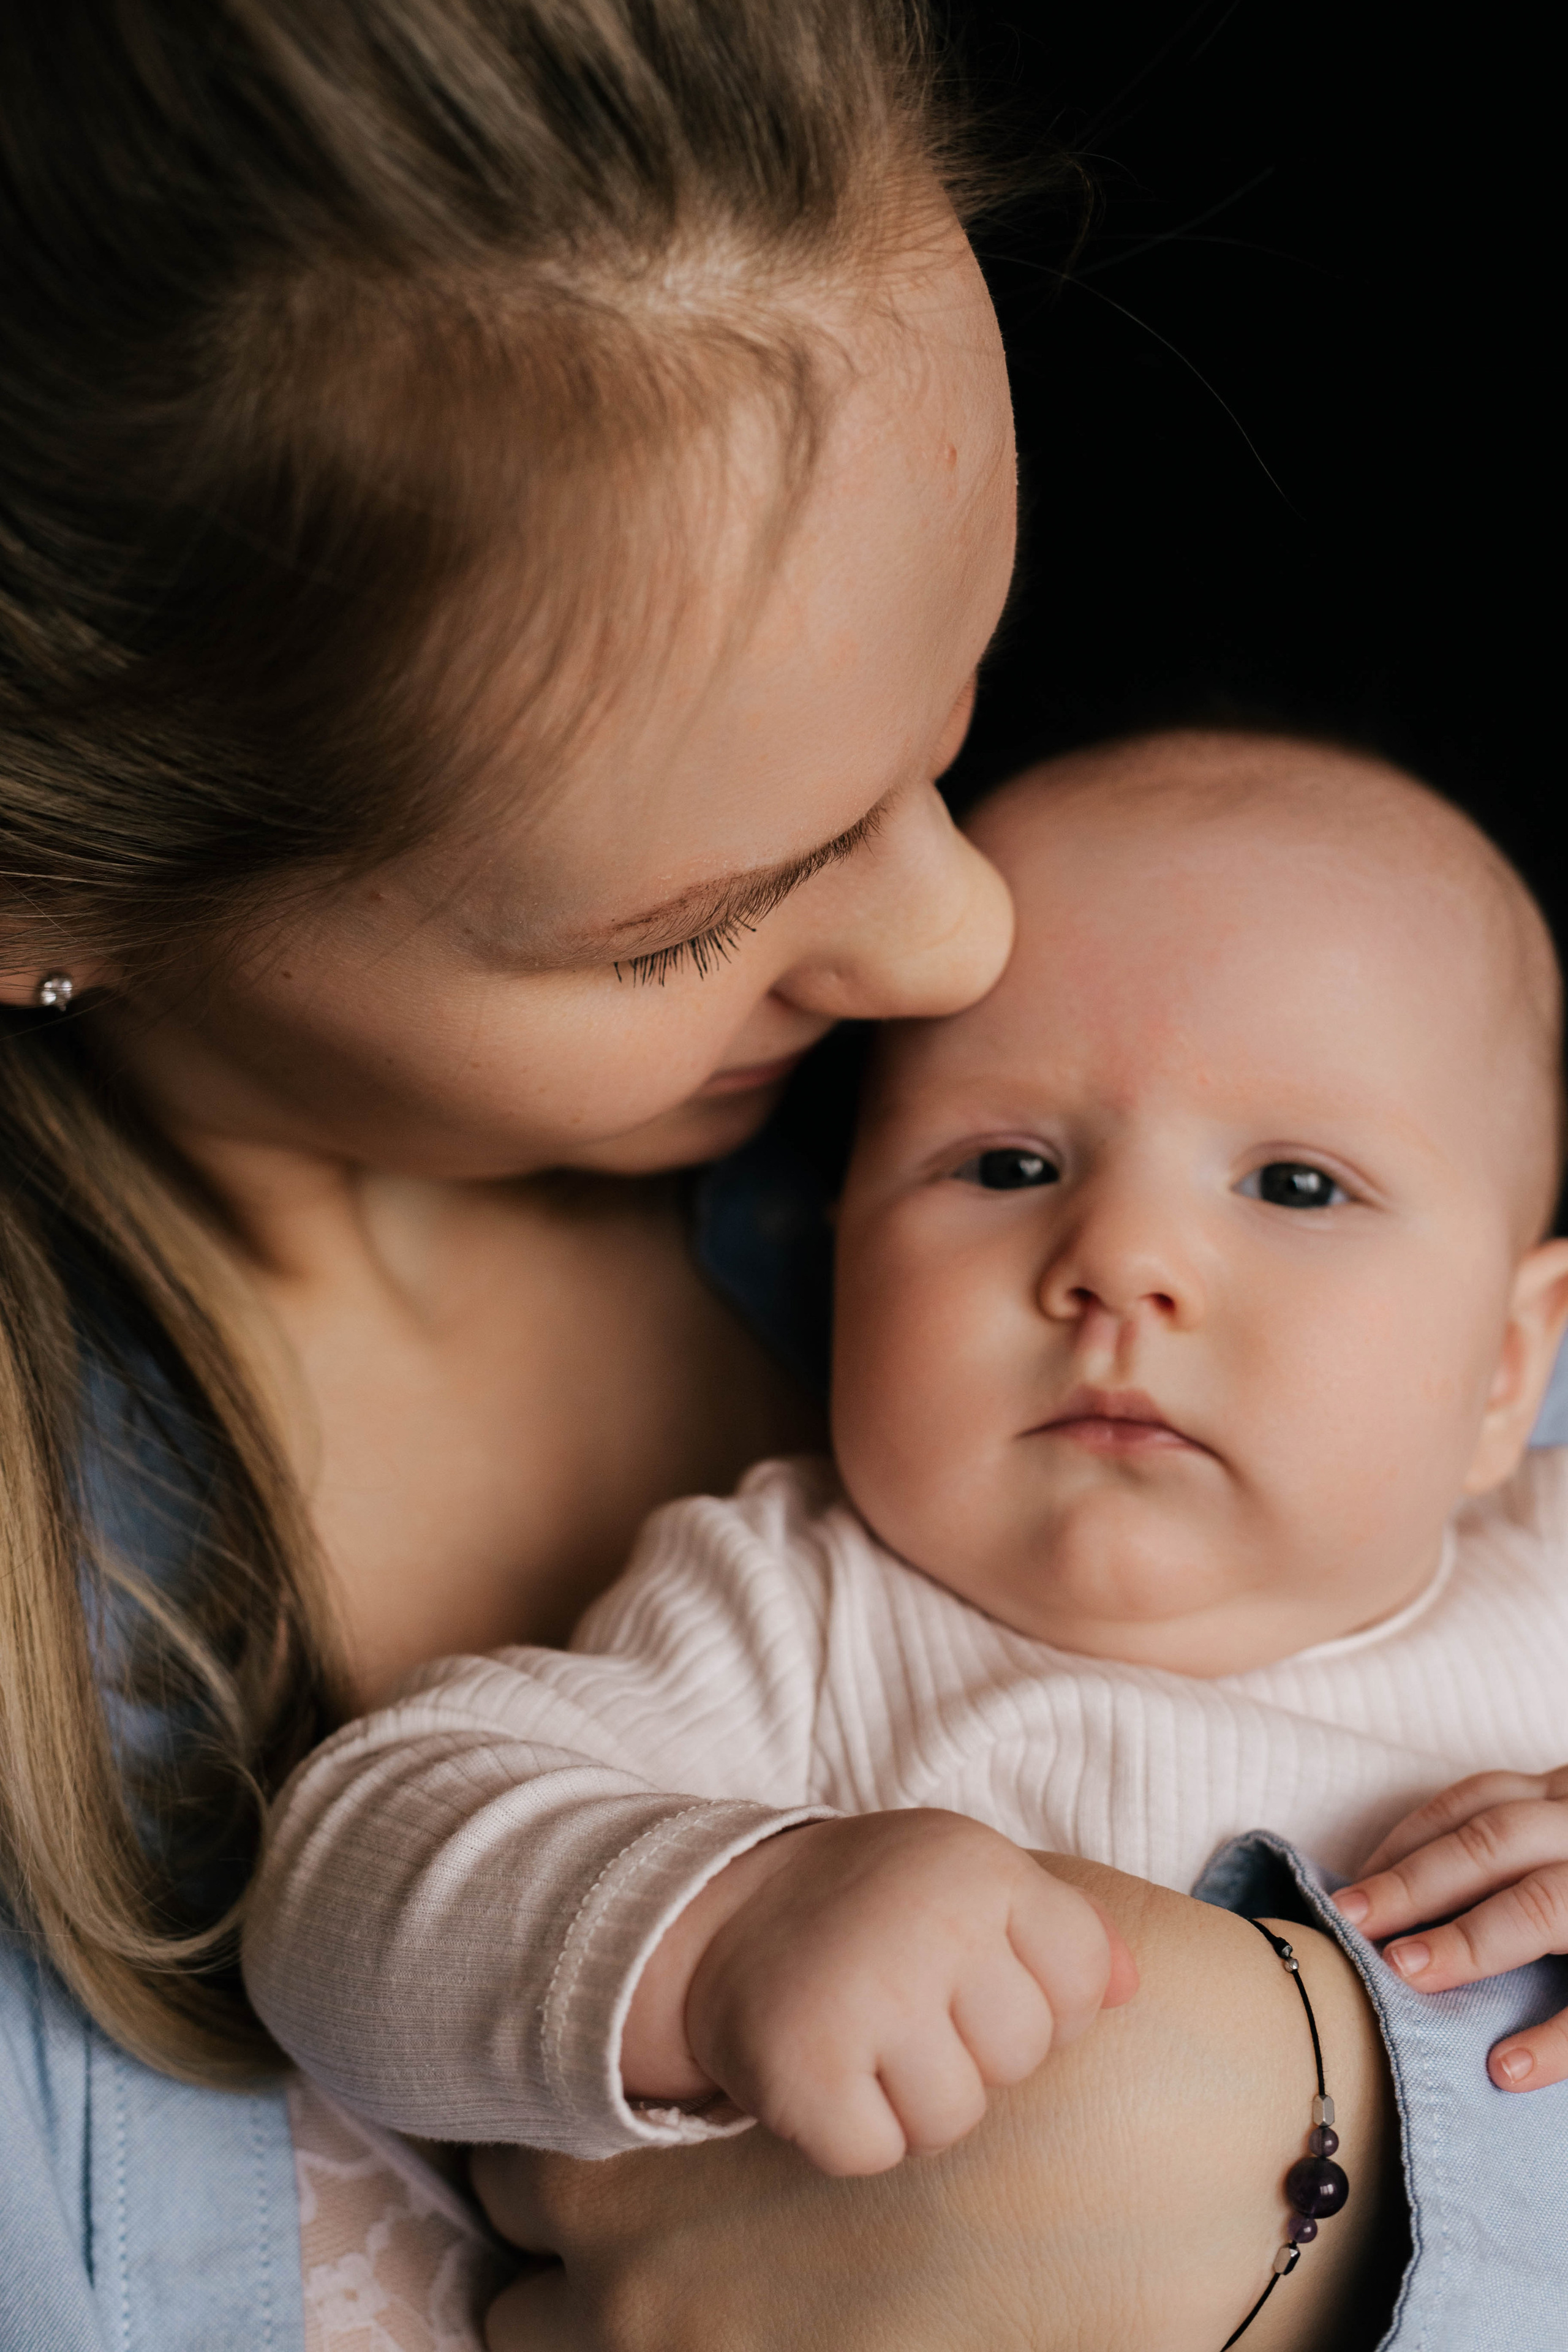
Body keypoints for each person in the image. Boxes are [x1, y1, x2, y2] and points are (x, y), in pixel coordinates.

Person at [0, 8, 1544, 2351]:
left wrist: (1341, 2168)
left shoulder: (1474, 1454)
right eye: (696, 916)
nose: (965, 946)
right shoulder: (792, 1604)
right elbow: (381, 1867)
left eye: (953, 723)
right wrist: (725, 1928)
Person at [243, 728, 1568, 2322]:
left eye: (1296, 1186)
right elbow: (344, 1880)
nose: (1123, 1260)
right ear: (841, 1256)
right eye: (1007, 1163)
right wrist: (728, 1923)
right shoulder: (796, 1609)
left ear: (1511, 1367)